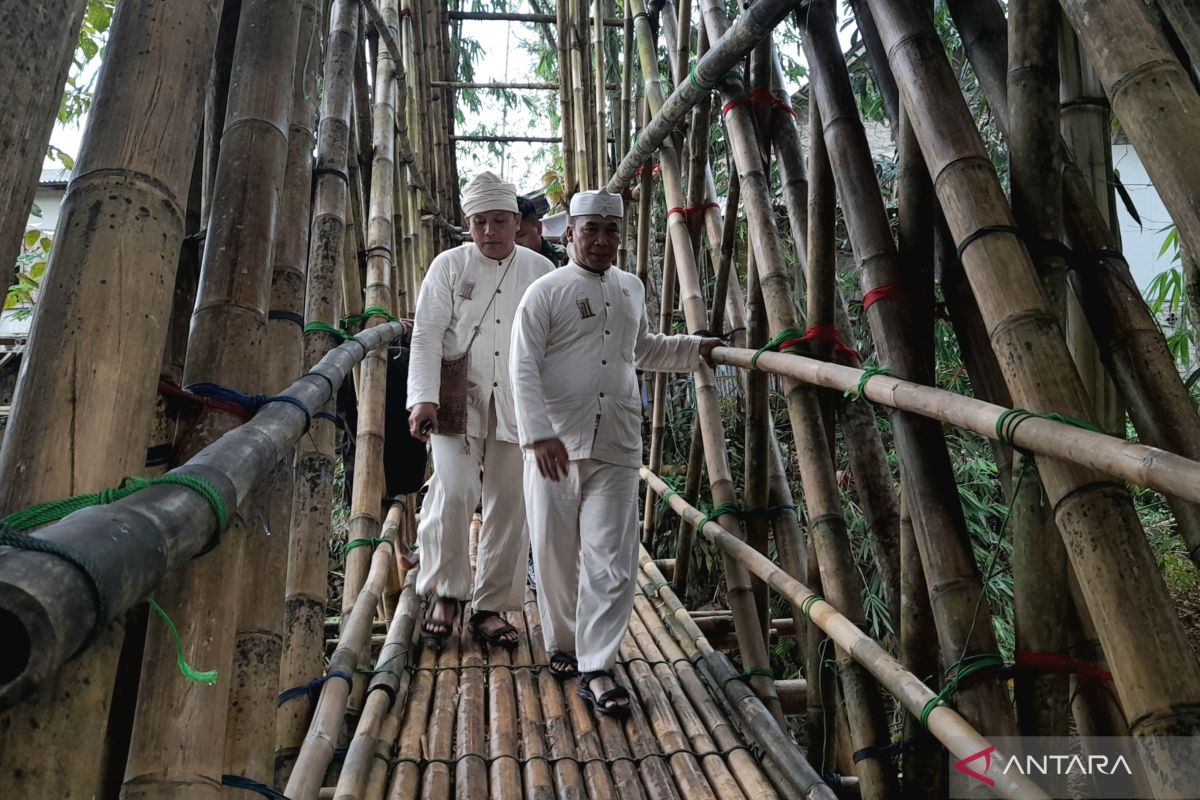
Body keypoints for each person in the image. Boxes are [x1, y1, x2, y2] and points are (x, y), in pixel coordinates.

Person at [510, 189, 720, 717]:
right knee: (555, 551)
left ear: (620, 235)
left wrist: (697, 350)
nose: (601, 240)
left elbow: (642, 348)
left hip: (618, 442)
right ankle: (563, 642)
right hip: (555, 444)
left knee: (612, 559)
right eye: (591, 229)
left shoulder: (631, 288)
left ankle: (597, 664)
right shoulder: (545, 292)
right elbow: (522, 365)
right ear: (571, 233)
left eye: (610, 230)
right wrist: (537, 434)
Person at [407, 171, 555, 650]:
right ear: (468, 225)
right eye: (479, 223)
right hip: (457, 398)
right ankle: (447, 592)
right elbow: (427, 333)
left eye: (498, 221)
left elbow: (553, 342)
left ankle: (490, 606)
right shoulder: (448, 267)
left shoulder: (540, 271)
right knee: (454, 489)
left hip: (519, 401)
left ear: (516, 221)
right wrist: (423, 397)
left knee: (510, 502)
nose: (489, 231)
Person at [515, 195, 568, 267]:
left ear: (539, 228)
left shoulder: (565, 258)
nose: (516, 244)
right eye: (509, 239)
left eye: (521, 235)